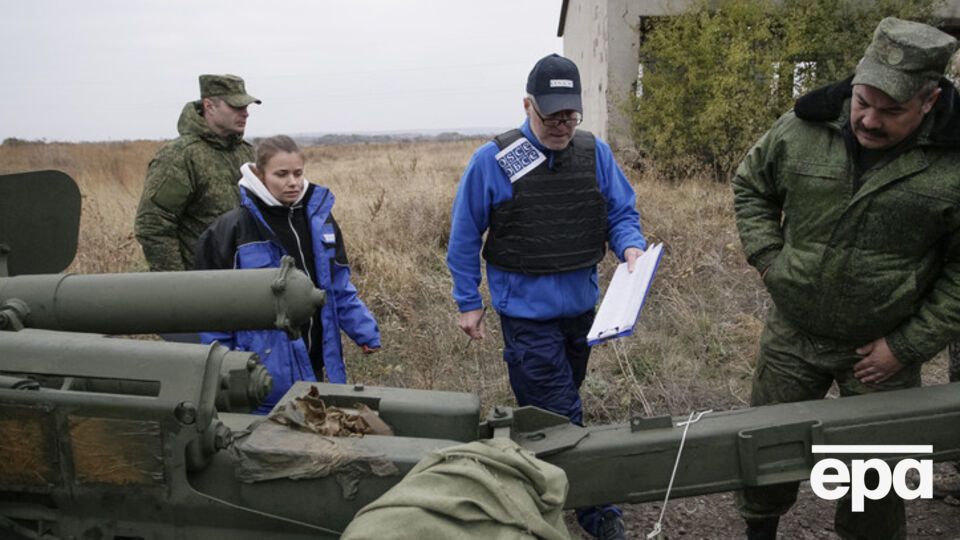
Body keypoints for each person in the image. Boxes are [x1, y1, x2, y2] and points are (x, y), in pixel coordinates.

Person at [732, 17, 959, 540]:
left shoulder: (953, 164)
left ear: (929, 100)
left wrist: (905, 346)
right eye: (863, 101)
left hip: (883, 349)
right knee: (766, 459)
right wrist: (770, 260)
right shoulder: (804, 126)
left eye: (892, 110)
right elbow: (750, 186)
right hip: (793, 333)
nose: (869, 120)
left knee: (877, 486)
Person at [446, 53, 646, 540]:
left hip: (582, 311)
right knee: (562, 415)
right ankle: (595, 510)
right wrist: (467, 301)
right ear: (527, 105)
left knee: (556, 409)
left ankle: (529, 477)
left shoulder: (593, 153)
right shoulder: (494, 160)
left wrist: (631, 246)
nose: (561, 125)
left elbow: (621, 212)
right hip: (526, 318)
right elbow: (465, 236)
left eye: (570, 115)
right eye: (551, 114)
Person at [194, 135, 380, 414]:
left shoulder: (320, 222)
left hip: (315, 355)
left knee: (313, 429)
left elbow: (337, 286)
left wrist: (364, 331)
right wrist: (224, 368)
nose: (292, 182)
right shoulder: (230, 230)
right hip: (262, 369)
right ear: (259, 174)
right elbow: (211, 308)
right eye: (281, 174)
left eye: (297, 173)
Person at [135, 74, 261, 272]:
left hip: (245, 277)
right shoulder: (180, 156)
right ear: (209, 106)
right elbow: (153, 225)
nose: (245, 113)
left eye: (246, 107)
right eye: (236, 107)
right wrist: (178, 284)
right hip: (201, 284)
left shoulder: (246, 152)